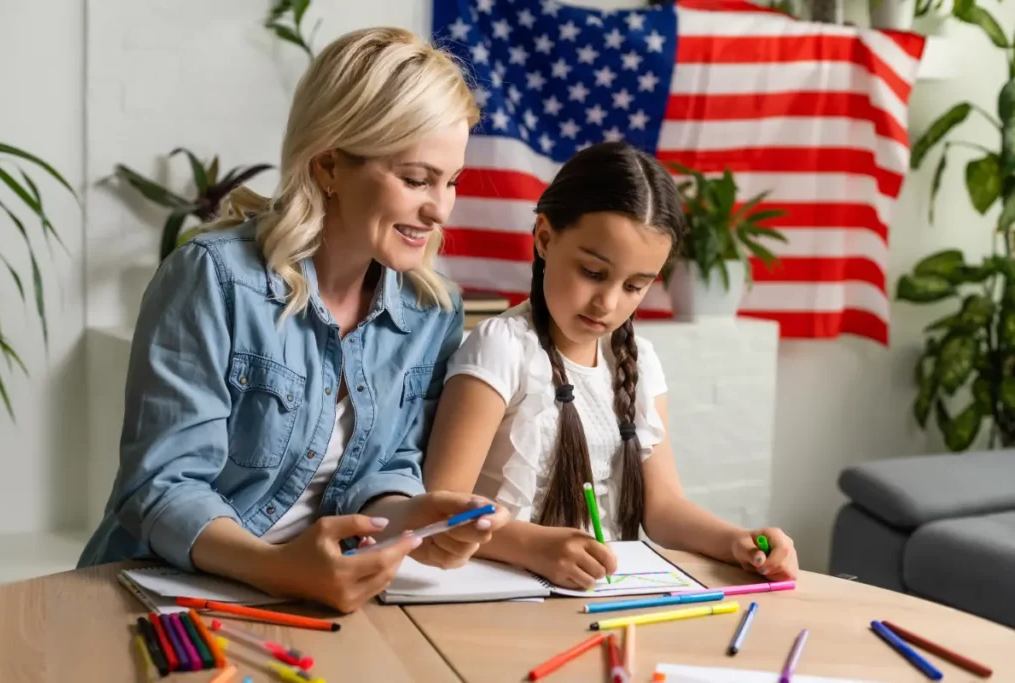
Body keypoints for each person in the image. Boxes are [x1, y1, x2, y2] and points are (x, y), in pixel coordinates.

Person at [78, 26, 509, 613]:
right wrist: (281, 570)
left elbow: (385, 470)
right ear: (330, 165)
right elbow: (161, 487)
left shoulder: (432, 310)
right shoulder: (212, 279)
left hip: (320, 602)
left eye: (451, 180)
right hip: (161, 593)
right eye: (416, 179)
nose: (440, 209)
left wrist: (413, 516)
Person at [422, 141, 799, 591]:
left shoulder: (639, 361)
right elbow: (438, 511)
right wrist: (534, 546)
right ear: (544, 238)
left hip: (597, 597)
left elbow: (662, 510)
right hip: (498, 593)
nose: (608, 303)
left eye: (636, 285)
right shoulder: (500, 349)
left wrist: (734, 540)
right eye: (593, 273)